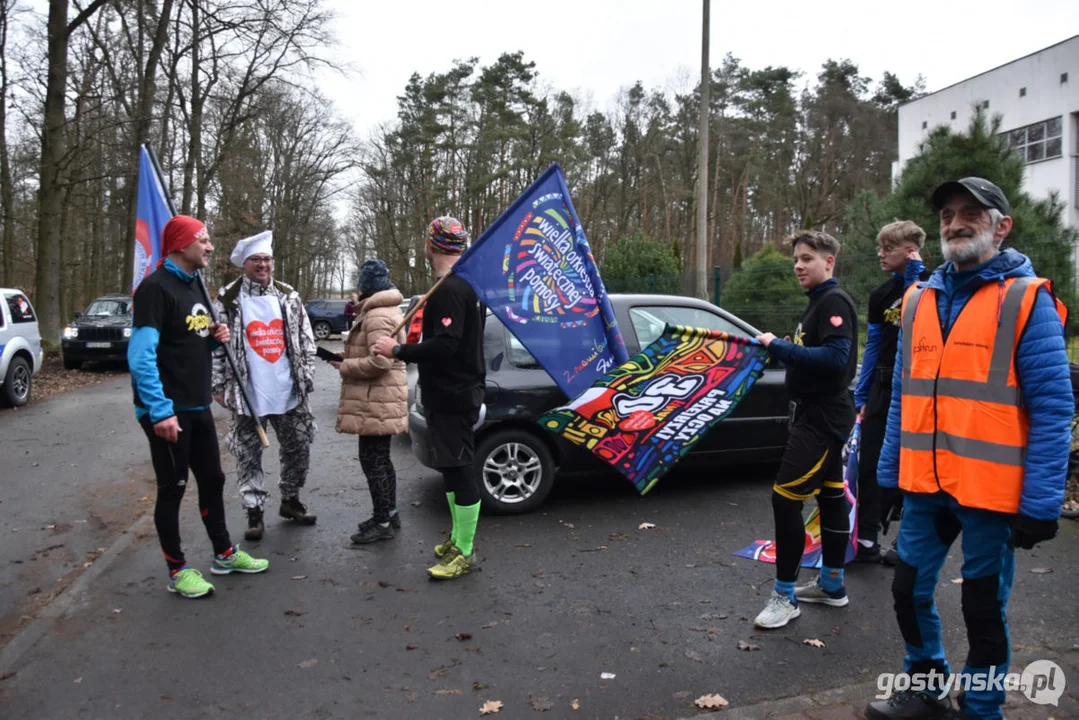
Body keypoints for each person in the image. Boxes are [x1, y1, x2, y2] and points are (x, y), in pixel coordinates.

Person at [865, 178, 1071, 720]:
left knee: (981, 608)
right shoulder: (917, 301)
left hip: (990, 496)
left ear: (1001, 227)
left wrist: (1041, 503)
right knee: (907, 591)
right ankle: (927, 686)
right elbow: (906, 398)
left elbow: (1053, 408)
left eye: (971, 214)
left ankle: (982, 708)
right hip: (926, 490)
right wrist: (889, 476)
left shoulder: (1028, 300)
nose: (955, 223)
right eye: (948, 214)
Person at [128, 215, 269, 599]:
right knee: (172, 488)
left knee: (213, 479)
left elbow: (184, 343)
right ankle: (177, 570)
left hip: (196, 405)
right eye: (203, 240)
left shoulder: (196, 287)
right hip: (166, 411)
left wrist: (212, 339)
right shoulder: (155, 289)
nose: (209, 247)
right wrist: (159, 410)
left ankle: (223, 553)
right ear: (181, 244)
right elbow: (141, 358)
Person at [753, 229, 859, 629]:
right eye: (796, 258)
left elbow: (835, 358)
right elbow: (817, 353)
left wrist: (779, 348)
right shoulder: (817, 303)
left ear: (829, 261)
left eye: (808, 258)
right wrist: (788, 347)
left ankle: (784, 596)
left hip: (821, 419)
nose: (799, 265)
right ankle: (832, 585)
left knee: (785, 498)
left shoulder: (832, 300)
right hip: (822, 416)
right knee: (831, 496)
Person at [372, 216, 485, 580]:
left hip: (456, 395)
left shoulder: (452, 290)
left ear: (431, 245)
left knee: (461, 469)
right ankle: (457, 538)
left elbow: (447, 347)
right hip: (444, 394)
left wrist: (398, 350)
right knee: (451, 469)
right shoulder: (446, 287)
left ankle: (464, 552)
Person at [211, 230, 318, 541]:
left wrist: (306, 374)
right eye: (256, 259)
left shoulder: (288, 295)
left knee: (298, 447)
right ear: (245, 264)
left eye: (267, 259)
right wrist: (218, 385)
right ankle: (254, 513)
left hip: (289, 391)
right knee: (247, 453)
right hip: (248, 394)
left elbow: (306, 339)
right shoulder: (227, 299)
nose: (262, 265)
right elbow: (216, 346)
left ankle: (291, 500)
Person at [850, 221, 928, 565]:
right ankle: (866, 537)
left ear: (911, 249)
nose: (880, 254)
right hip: (882, 389)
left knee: (915, 468)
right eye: (879, 247)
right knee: (870, 462)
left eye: (888, 248)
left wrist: (914, 274)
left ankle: (908, 543)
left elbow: (919, 319)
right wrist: (862, 395)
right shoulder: (880, 295)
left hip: (920, 391)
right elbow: (874, 346)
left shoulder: (931, 284)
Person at [332, 259, 408, 544]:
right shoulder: (385, 310)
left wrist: (346, 367)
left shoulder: (376, 315)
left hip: (376, 401)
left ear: (366, 287)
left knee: (373, 460)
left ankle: (383, 520)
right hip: (380, 401)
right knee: (380, 459)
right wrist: (347, 359)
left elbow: (380, 361)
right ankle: (389, 513)